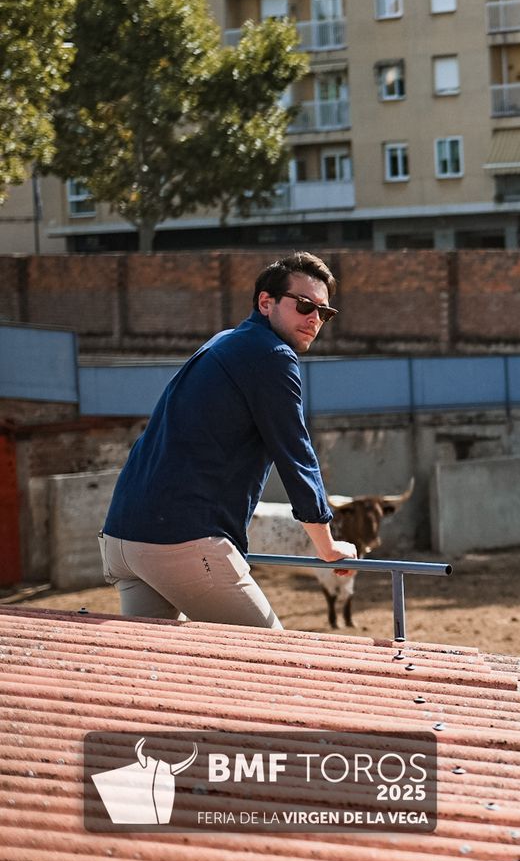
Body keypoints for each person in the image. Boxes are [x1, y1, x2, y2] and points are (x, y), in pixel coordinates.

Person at [99, 251, 356, 627]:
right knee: (275, 663)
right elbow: (295, 453)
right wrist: (327, 546)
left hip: (124, 537)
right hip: (180, 541)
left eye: (324, 312)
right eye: (304, 306)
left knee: (159, 672)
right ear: (266, 302)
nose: (315, 319)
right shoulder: (271, 355)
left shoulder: (224, 342)